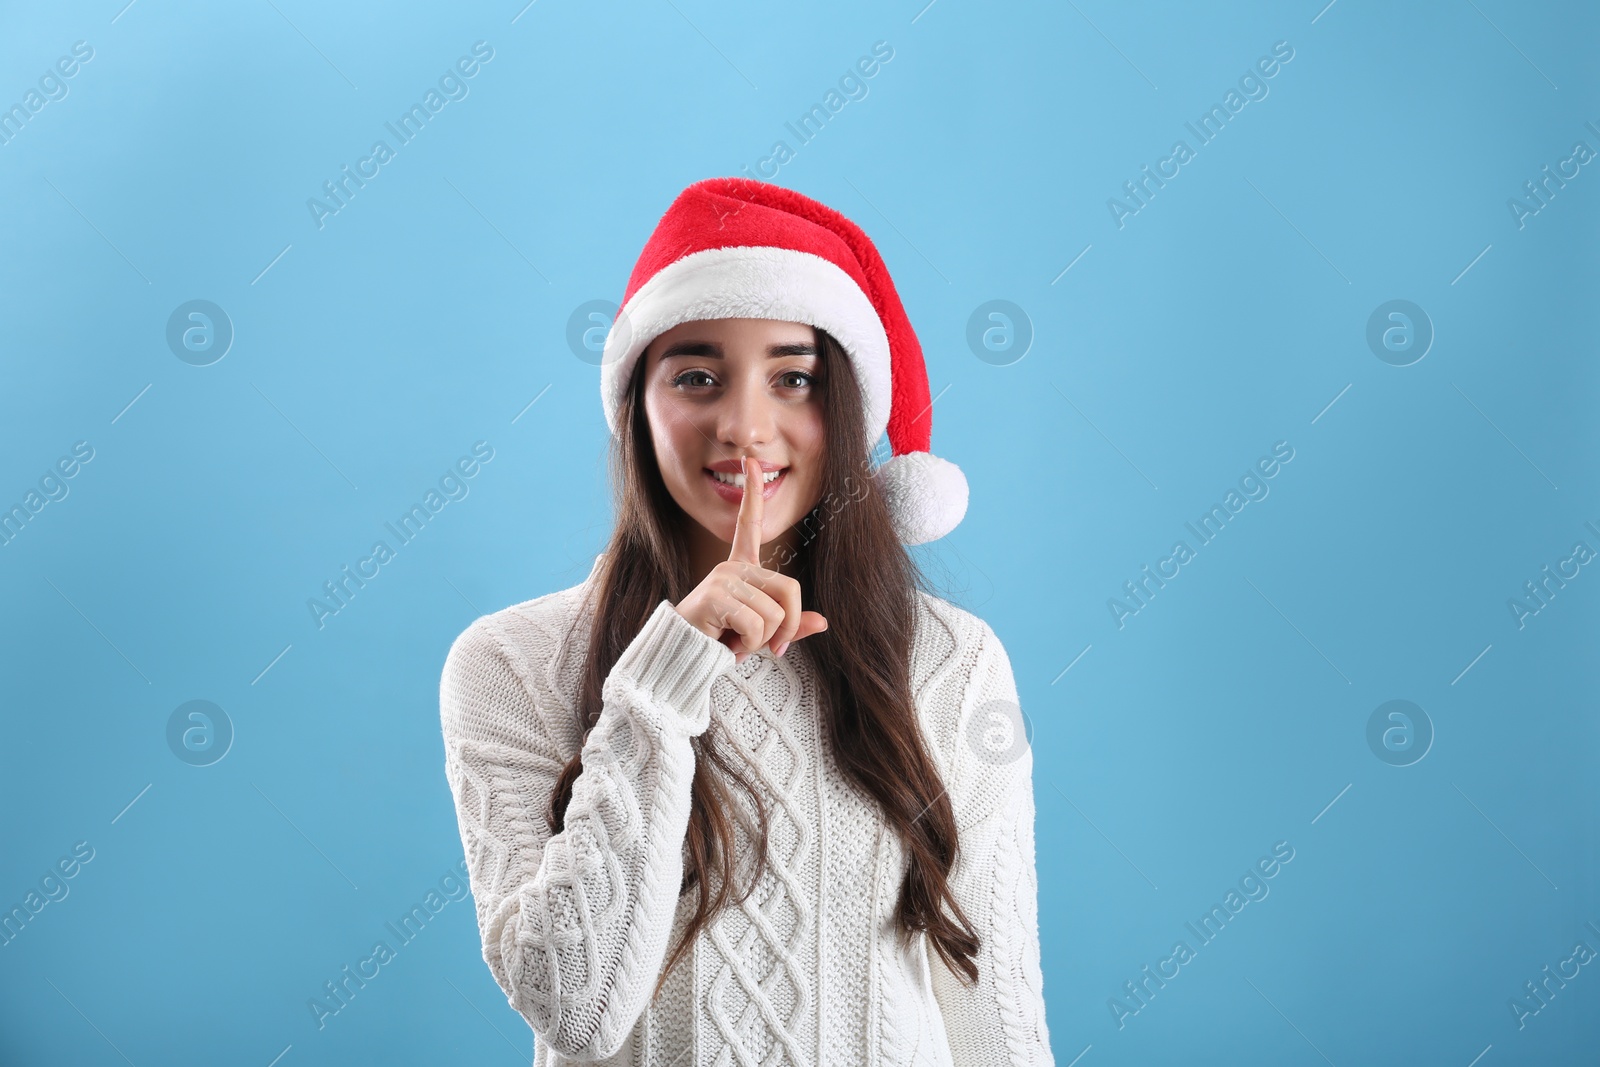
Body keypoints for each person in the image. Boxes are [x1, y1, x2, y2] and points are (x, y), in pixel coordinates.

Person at [438, 177, 1053, 1065]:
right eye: (696, 375)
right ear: (635, 407)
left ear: (844, 408)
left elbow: (995, 1019)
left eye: (793, 378)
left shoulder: (954, 661)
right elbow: (574, 1009)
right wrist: (659, 687)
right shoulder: (510, 663)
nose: (745, 426)